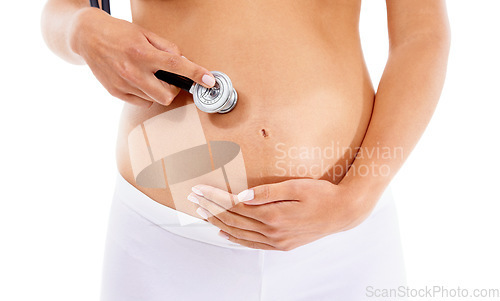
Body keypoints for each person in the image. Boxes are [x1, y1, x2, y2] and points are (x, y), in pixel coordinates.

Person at [41, 0, 450, 300]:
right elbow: (63, 10)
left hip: (343, 242)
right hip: (164, 241)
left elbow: (421, 34)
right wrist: (81, 28)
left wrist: (357, 199)